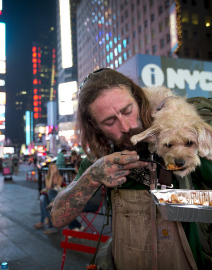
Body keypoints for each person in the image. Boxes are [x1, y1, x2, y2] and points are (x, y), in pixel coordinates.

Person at [51, 68, 212, 269]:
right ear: (94, 124)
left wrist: (170, 199)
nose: (126, 127)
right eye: (110, 121)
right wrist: (92, 177)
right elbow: (58, 218)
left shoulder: (183, 137)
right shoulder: (101, 156)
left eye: (128, 111)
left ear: (138, 99)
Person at [33, 163, 63, 234]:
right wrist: (51, 176)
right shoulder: (47, 177)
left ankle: (42, 221)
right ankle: (47, 220)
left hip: (56, 196)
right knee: (43, 198)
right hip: (48, 195)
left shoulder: (60, 177)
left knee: (44, 201)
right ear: (49, 170)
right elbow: (48, 186)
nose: (53, 169)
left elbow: (56, 188)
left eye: (54, 167)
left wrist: (46, 189)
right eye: (51, 168)